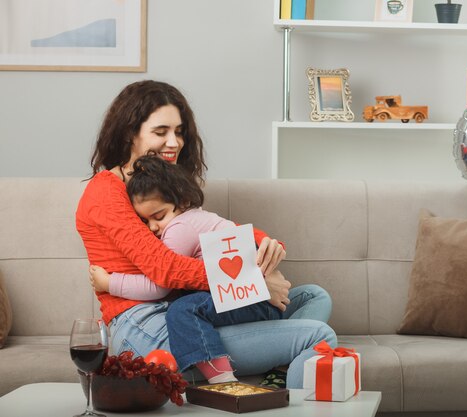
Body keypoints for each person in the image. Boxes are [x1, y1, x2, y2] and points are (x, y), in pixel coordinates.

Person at [75, 80, 337, 388]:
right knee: (319, 335)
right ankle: (282, 385)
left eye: (179, 131)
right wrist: (253, 279)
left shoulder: (161, 186)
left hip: (188, 311)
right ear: (130, 133)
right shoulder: (106, 192)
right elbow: (166, 269)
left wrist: (265, 243)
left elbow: (208, 229)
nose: (174, 142)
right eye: (161, 132)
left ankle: (278, 367)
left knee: (311, 296)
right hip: (146, 328)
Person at [89, 154, 284, 384]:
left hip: (250, 297)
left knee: (183, 311)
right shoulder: (198, 216)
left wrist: (110, 283)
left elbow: (159, 286)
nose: (153, 228)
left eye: (158, 216)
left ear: (180, 202)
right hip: (254, 298)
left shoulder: (179, 227)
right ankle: (278, 360)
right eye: (146, 222)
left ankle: (222, 380)